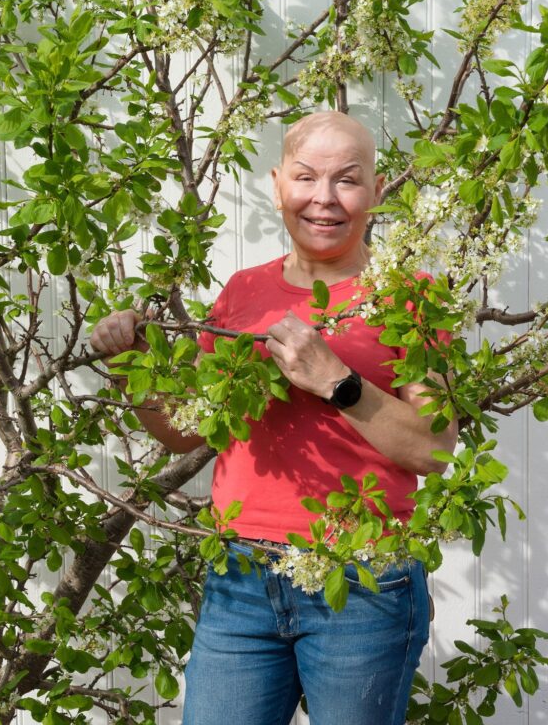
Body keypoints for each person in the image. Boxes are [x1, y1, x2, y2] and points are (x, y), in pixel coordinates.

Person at [89, 112, 458, 725]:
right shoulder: (242, 293)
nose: (324, 198)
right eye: (306, 177)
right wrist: (132, 367)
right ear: (277, 184)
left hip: (362, 577)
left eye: (347, 179)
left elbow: (436, 449)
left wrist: (336, 382)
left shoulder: (410, 297)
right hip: (241, 576)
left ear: (377, 188)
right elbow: (189, 429)